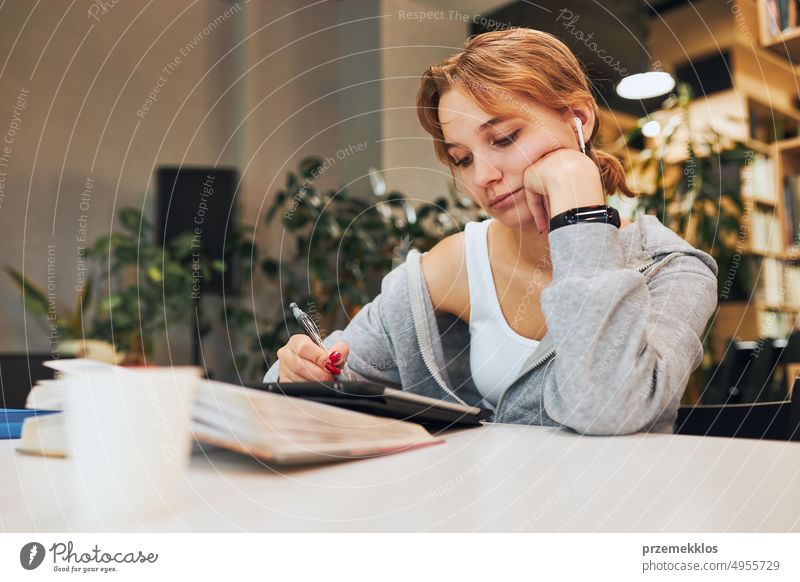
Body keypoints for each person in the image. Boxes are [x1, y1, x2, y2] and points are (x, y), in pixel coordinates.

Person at [264, 28, 718, 435]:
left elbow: (605, 409)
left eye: (503, 139)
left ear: (578, 118)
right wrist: (297, 374)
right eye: (462, 158)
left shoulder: (673, 270)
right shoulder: (452, 265)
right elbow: (299, 389)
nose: (482, 176)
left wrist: (577, 201)